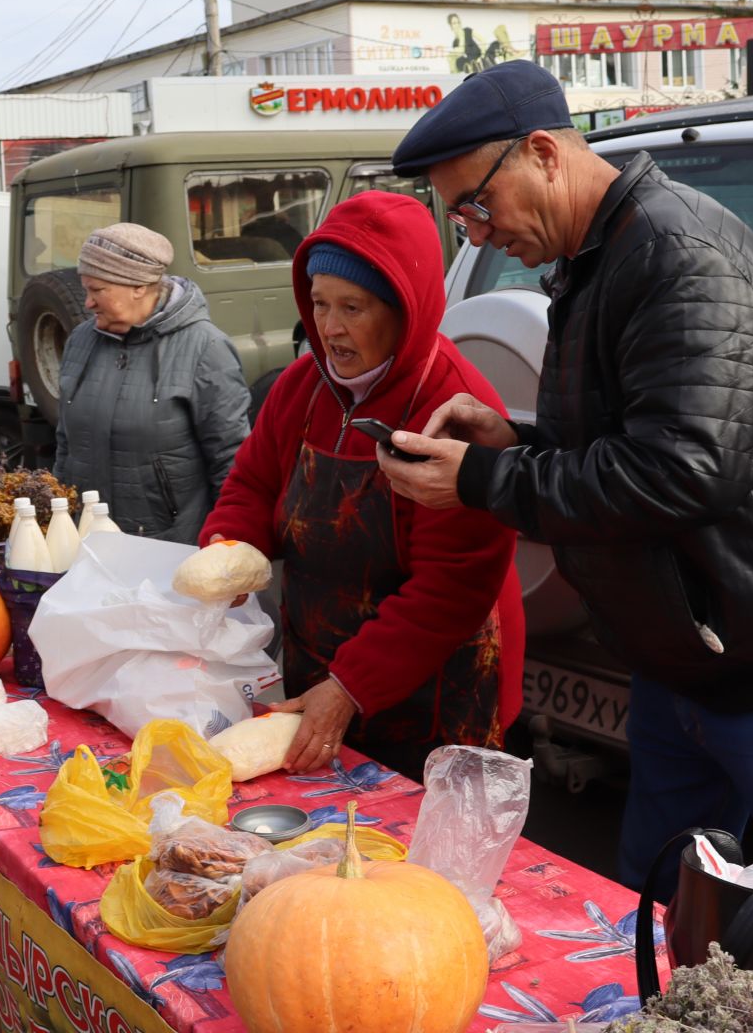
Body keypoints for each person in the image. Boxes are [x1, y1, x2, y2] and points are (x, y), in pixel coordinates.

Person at [375, 60, 753, 894]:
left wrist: (487, 481)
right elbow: (637, 439)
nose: (473, 233)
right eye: (456, 219)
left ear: (543, 154)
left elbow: (687, 472)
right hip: (684, 662)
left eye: (476, 205)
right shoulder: (601, 257)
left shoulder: (677, 256)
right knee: (669, 918)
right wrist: (511, 439)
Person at [199, 192, 523, 779]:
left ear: (404, 309)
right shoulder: (302, 386)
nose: (330, 327)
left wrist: (350, 686)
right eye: (320, 304)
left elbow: (452, 586)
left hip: (434, 693)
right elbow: (251, 483)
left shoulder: (452, 406)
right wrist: (230, 549)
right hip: (319, 667)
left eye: (354, 307)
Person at [52, 222, 250, 546]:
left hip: (168, 547)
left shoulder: (205, 348)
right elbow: (65, 443)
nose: (87, 302)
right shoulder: (80, 342)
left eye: (97, 290)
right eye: (85, 289)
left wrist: (226, 541)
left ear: (138, 287)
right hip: (86, 544)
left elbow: (231, 460)